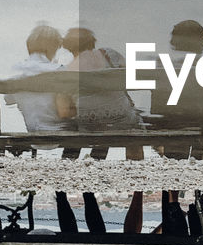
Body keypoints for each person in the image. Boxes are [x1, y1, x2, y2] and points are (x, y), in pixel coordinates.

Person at [148, 21, 203, 159]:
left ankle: (176, 162)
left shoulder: (161, 63)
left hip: (168, 123)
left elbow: (155, 97)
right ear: (201, 42)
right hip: (200, 123)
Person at [61, 27, 144, 160]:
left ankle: (75, 162)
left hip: (88, 123)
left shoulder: (68, 69)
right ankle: (135, 164)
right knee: (133, 125)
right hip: (120, 120)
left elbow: (65, 111)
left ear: (68, 47)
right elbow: (131, 78)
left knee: (89, 119)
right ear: (92, 42)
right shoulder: (110, 54)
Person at [3, 23, 75, 135]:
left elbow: (8, 99)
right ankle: (93, 154)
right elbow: (68, 109)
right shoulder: (59, 70)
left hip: (32, 130)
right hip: (59, 130)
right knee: (96, 123)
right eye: (57, 47)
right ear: (51, 47)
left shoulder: (16, 70)